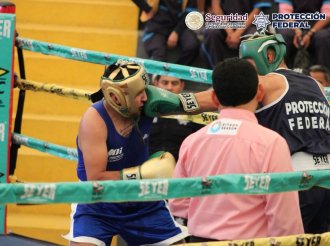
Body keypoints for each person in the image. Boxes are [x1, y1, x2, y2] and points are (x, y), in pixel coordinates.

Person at [63, 61, 219, 245]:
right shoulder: (94, 121)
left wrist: (236, 92)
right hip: (97, 204)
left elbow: (196, 102)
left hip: (142, 199)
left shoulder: (149, 103)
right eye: (139, 94)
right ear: (118, 97)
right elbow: (96, 177)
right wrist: (141, 173)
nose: (146, 97)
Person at [169, 58, 304, 242]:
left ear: (214, 97)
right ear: (260, 92)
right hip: (251, 241)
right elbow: (285, 219)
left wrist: (208, 213)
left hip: (200, 240)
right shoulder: (272, 143)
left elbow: (177, 203)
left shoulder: (192, 142)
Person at [239, 32, 330, 234]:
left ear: (269, 56)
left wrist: (178, 102)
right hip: (326, 178)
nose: (247, 70)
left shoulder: (270, 82)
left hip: (297, 181)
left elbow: (223, 92)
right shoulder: (315, 85)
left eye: (248, 62)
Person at [201, 0, 272, 68]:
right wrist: (230, 31)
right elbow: (216, 8)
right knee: (211, 32)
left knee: (255, 36)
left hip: (249, 25)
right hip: (224, 24)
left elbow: (257, 10)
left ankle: (251, 74)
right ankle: (216, 70)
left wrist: (237, 33)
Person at [150, 75, 203, 161]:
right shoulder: (142, 107)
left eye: (174, 83)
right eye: (165, 82)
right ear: (156, 83)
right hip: (146, 168)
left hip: (181, 168)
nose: (169, 87)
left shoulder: (194, 111)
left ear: (182, 85)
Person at [132, 0, 200, 66]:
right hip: (156, 23)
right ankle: (160, 75)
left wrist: (176, 32)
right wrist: (147, 8)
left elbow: (191, 13)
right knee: (156, 50)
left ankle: (176, 74)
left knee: (192, 45)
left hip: (181, 24)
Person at [275, 0, 330, 70]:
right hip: (294, 26)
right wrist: (296, 30)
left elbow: (327, 14)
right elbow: (285, 12)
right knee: (284, 34)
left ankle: (323, 75)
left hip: (318, 27)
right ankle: (283, 72)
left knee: (322, 36)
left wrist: (310, 33)